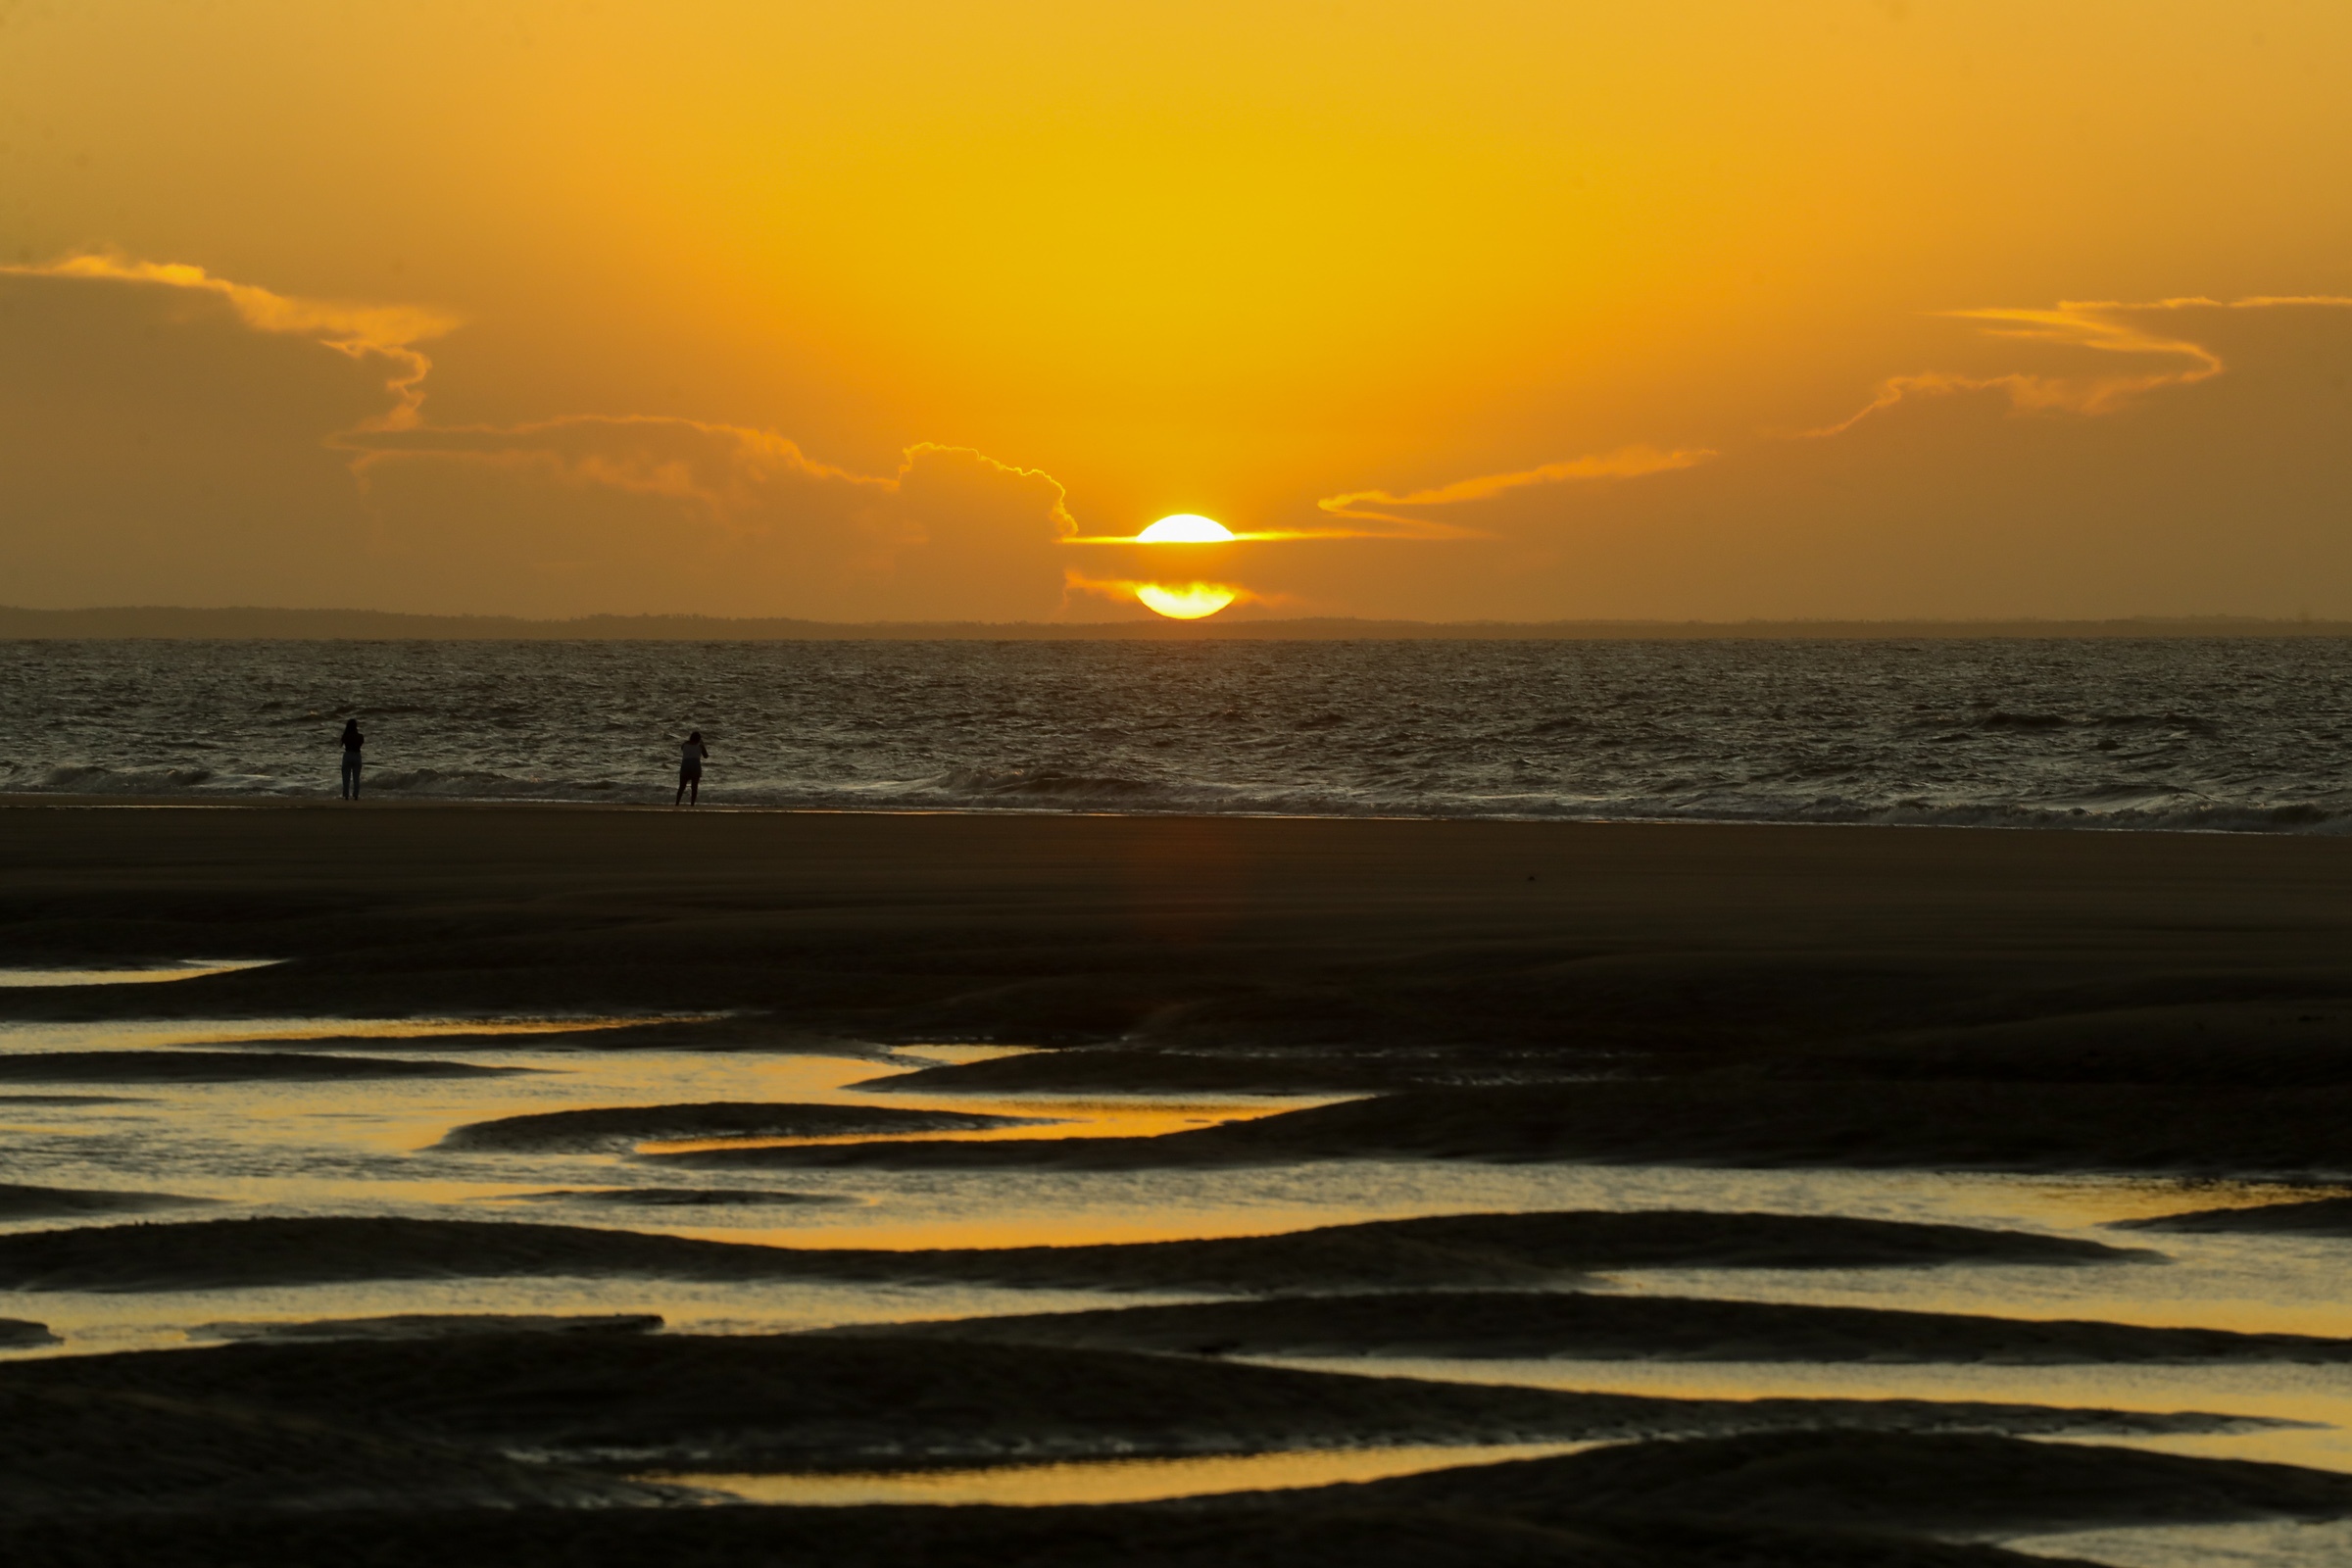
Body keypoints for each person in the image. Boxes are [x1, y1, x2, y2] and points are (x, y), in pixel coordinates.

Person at [676, 729, 710, 806]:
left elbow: (682, 749)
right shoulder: (700, 745)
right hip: (695, 766)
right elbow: (706, 756)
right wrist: (702, 744)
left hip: (685, 765)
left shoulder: (684, 744)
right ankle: (692, 804)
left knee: (682, 786)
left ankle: (677, 803)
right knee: (694, 787)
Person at [339, 717, 366, 800]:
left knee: (346, 777)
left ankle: (346, 795)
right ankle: (356, 795)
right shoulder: (360, 736)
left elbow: (343, 742)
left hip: (348, 755)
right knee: (356, 777)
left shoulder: (345, 736)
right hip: (357, 755)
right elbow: (361, 743)